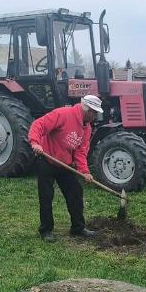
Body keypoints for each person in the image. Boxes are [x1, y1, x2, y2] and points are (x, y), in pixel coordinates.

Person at [28, 95, 102, 243]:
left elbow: (81, 152)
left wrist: (85, 171)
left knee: (75, 191)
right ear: (86, 110)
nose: (95, 116)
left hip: (64, 164)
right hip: (47, 159)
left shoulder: (86, 128)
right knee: (46, 196)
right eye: (94, 112)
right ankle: (46, 230)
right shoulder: (63, 114)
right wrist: (35, 142)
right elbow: (39, 124)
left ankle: (78, 228)